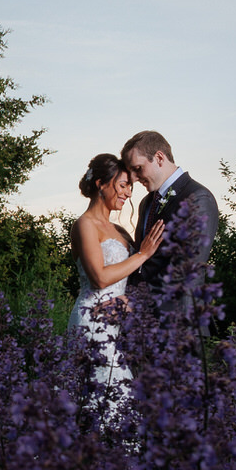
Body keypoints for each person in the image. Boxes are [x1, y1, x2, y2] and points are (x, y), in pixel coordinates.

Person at [70, 153, 164, 407]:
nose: (128, 193)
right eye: (123, 185)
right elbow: (99, 278)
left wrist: (130, 301)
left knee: (118, 394)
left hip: (118, 322)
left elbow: (131, 276)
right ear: (101, 183)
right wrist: (143, 253)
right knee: (102, 393)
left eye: (131, 187)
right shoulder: (85, 225)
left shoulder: (120, 231)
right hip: (92, 319)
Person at [121, 130, 219, 312]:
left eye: (137, 168)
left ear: (159, 158)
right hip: (142, 323)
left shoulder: (198, 198)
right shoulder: (147, 203)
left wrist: (136, 302)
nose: (133, 178)